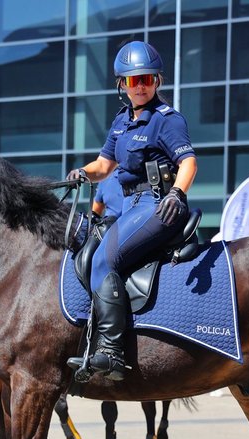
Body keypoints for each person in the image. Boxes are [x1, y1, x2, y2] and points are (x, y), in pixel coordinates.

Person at [66, 41, 197, 380]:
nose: (140, 86)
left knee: (103, 260)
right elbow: (104, 165)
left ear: (157, 81)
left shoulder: (166, 120)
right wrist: (82, 173)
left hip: (159, 206)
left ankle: (112, 352)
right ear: (121, 85)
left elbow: (188, 161)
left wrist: (178, 194)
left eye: (147, 79)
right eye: (132, 80)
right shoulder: (122, 122)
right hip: (130, 206)